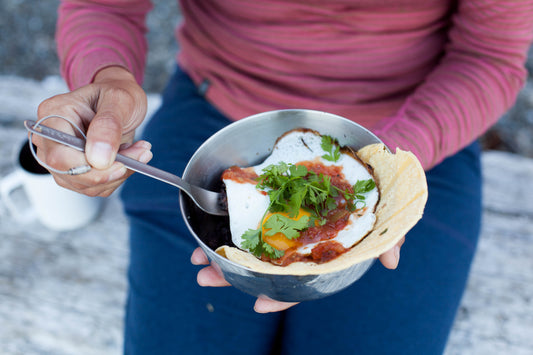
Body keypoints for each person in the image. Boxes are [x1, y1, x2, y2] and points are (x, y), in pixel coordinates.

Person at [34, 1, 533, 354]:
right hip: (217, 123)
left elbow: (488, 55)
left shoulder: (402, 154)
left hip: (419, 134)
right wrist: (110, 84)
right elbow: (105, 6)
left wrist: (389, 166)